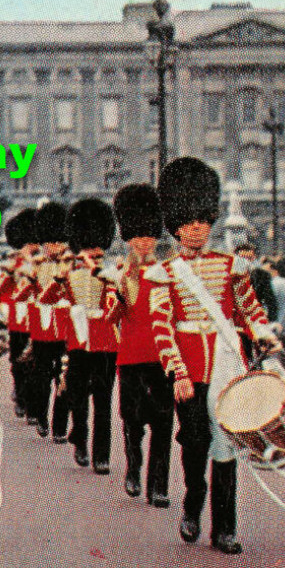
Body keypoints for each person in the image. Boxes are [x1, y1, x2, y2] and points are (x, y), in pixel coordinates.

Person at [147, 158, 278, 555]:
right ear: (176, 226)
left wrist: (263, 334)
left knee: (226, 444)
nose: (197, 228)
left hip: (224, 364)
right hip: (189, 367)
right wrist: (177, 371)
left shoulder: (231, 266)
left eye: (203, 220)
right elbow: (161, 327)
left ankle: (225, 528)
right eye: (189, 222)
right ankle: (192, 507)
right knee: (194, 444)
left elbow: (248, 307)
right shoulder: (164, 273)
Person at [112, 184, 171, 507]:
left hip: (162, 356)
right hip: (132, 354)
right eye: (138, 235)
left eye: (149, 235)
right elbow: (112, 317)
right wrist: (120, 295)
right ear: (130, 238)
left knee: (163, 421)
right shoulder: (121, 272)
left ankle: (158, 485)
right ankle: (133, 466)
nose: (145, 241)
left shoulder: (169, 271)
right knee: (133, 420)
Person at [63, 198, 119, 473]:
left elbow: (115, 306)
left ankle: (101, 455)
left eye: (98, 256)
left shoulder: (111, 275)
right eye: (90, 255)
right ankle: (81, 440)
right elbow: (49, 298)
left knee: (103, 401)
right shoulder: (69, 277)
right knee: (78, 398)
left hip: (105, 343)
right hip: (77, 342)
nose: (94, 260)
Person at [25, 202, 70, 439]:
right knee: (42, 378)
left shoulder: (73, 264)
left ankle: (60, 426)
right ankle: (42, 417)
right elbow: (34, 298)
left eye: (58, 241)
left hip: (65, 329)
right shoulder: (37, 266)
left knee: (64, 378)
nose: (54, 246)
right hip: (43, 330)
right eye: (50, 242)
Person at [0, 208, 36, 420]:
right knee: (18, 362)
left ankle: (33, 402)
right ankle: (20, 394)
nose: (33, 247)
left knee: (36, 365)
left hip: (37, 320)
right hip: (18, 320)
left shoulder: (42, 265)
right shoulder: (12, 264)